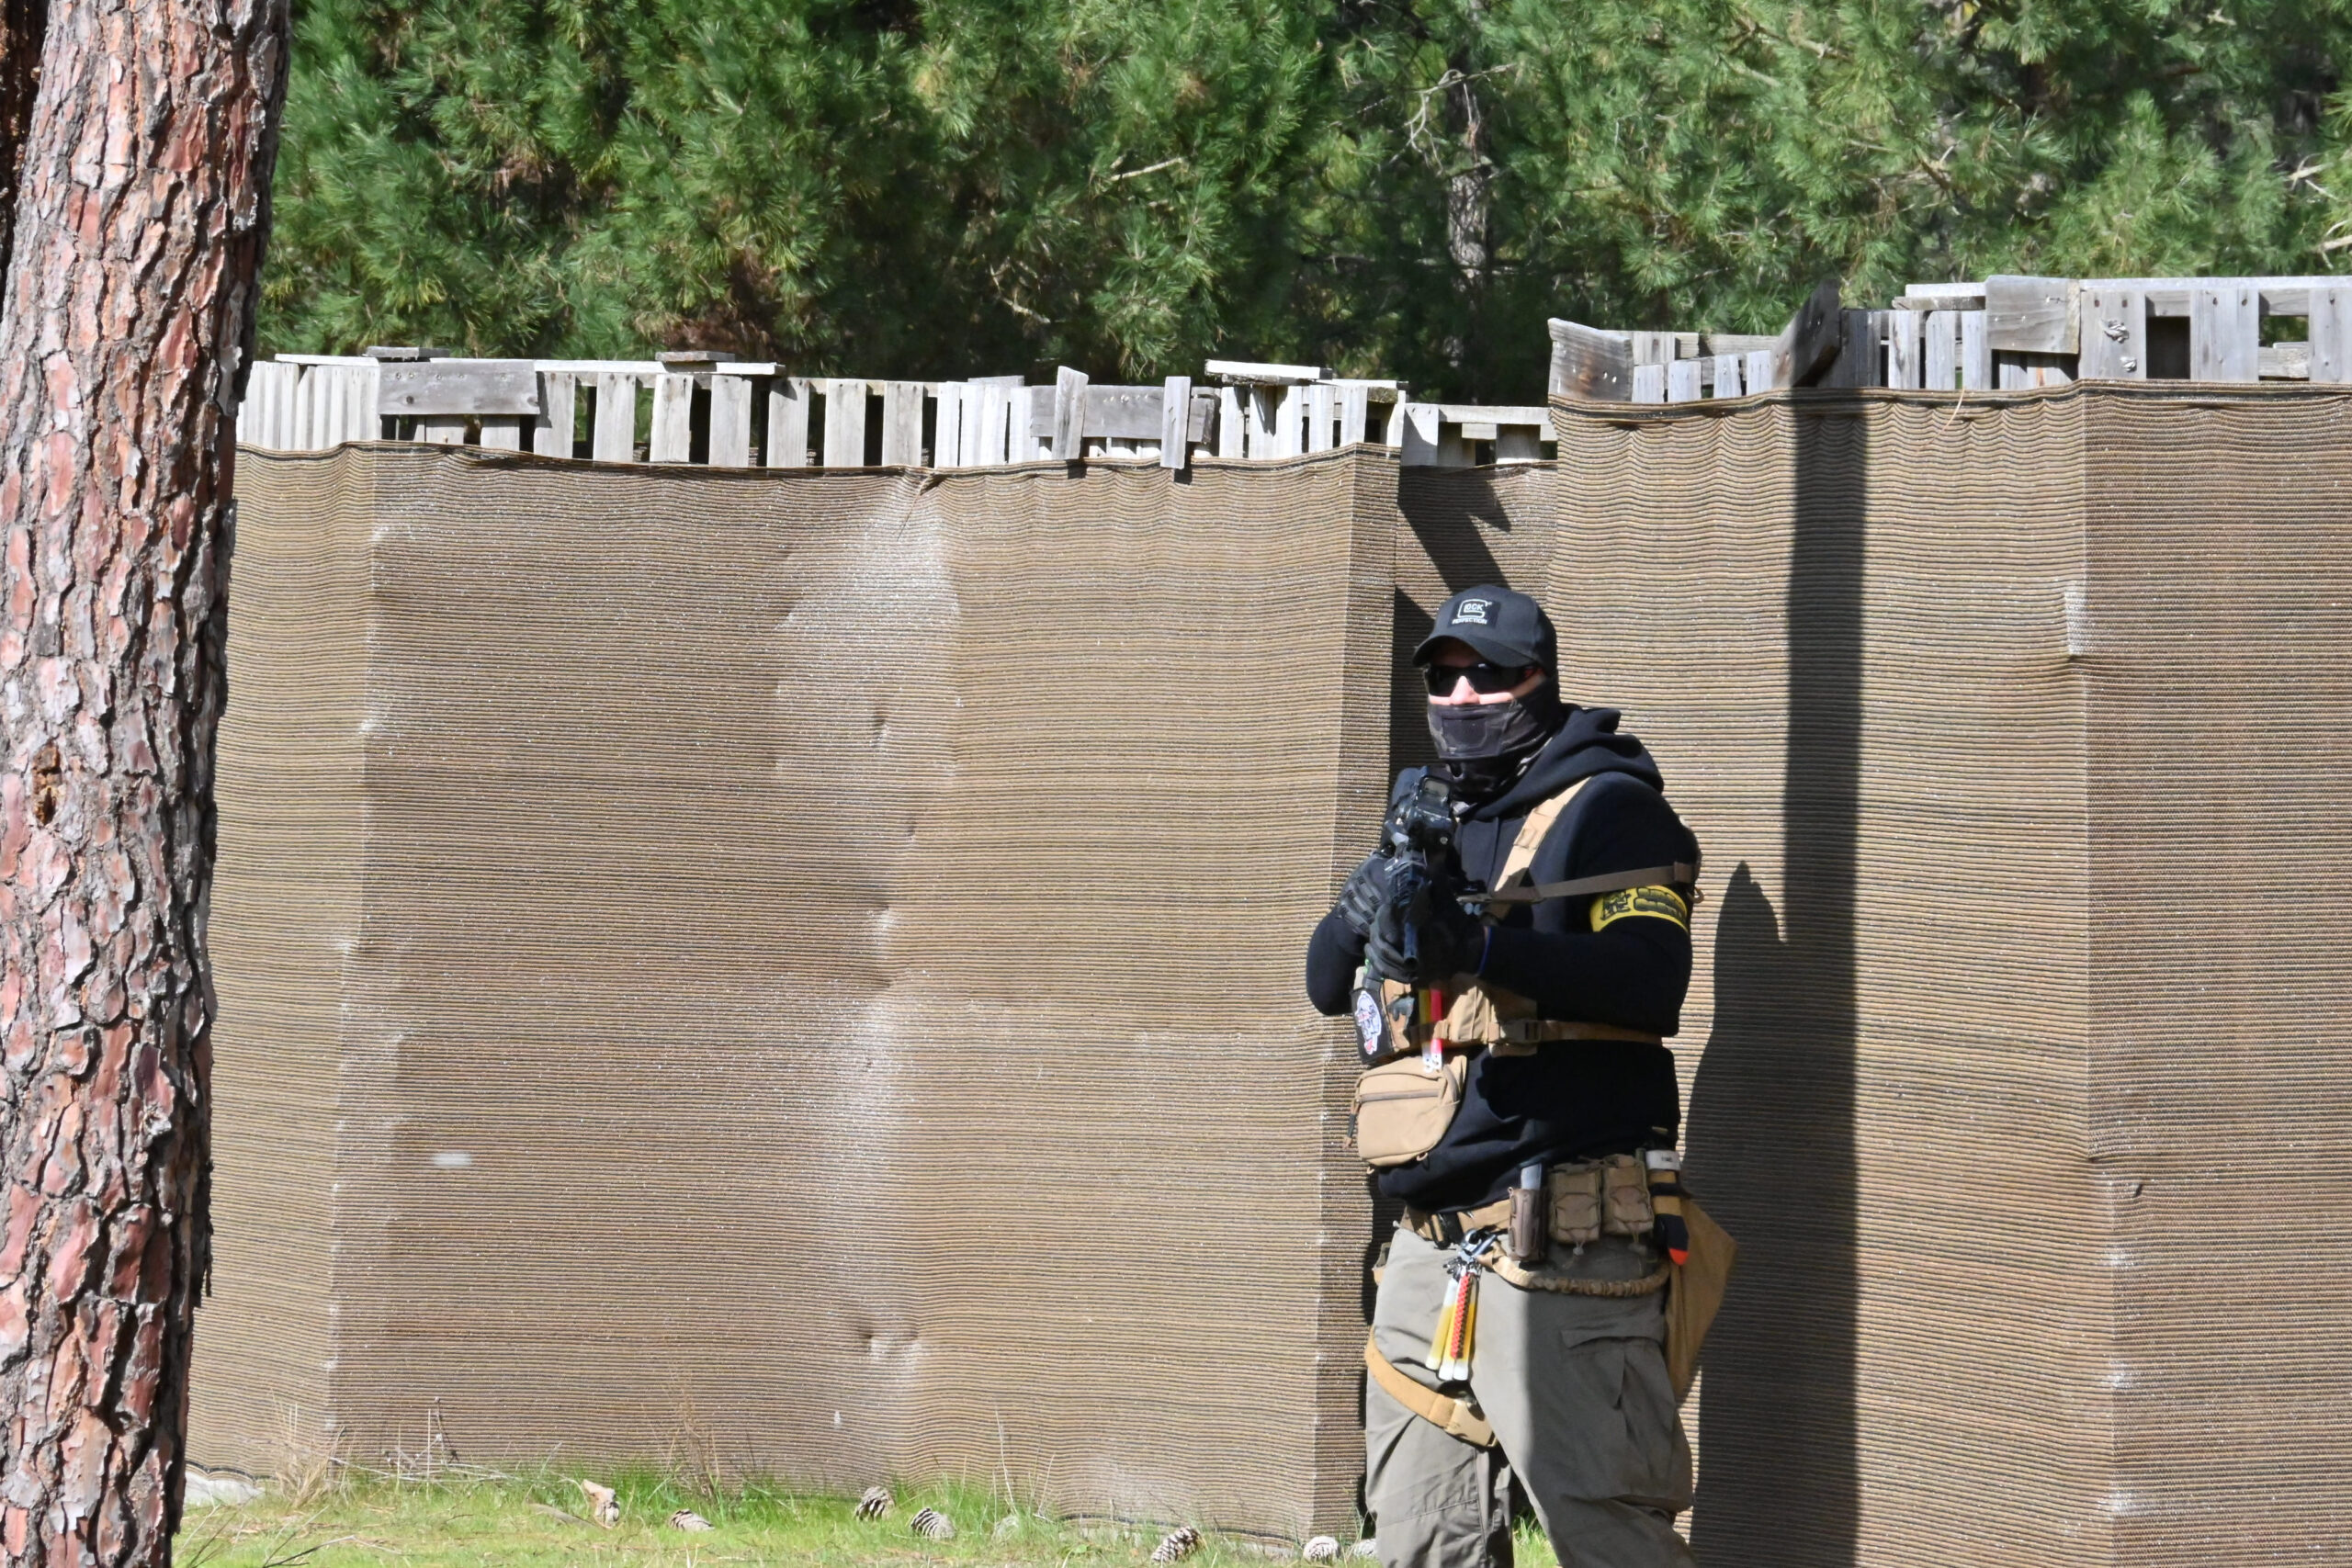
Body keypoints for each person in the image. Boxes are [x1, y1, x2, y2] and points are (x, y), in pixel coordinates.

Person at [1306, 584, 1707, 1568]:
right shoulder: (1431, 813)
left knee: (1609, 1537)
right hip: (1423, 1250)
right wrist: (1370, 902)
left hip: (1563, 1246)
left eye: (1488, 675)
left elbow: (1651, 980)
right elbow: (1324, 985)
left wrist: (1480, 946)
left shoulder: (1613, 810)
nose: (1462, 697)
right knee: (1420, 1541)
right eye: (1444, 677)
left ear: (1540, 680)